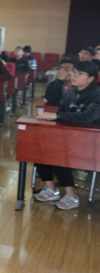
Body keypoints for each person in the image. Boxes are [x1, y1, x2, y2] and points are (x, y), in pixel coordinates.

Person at [34, 61, 100, 210]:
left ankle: (71, 196)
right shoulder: (69, 92)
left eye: (79, 74)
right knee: (39, 146)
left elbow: (88, 117)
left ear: (91, 78)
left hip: (93, 140)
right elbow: (62, 117)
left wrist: (56, 115)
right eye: (74, 72)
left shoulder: (97, 94)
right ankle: (51, 188)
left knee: (59, 151)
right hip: (71, 136)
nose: (74, 76)